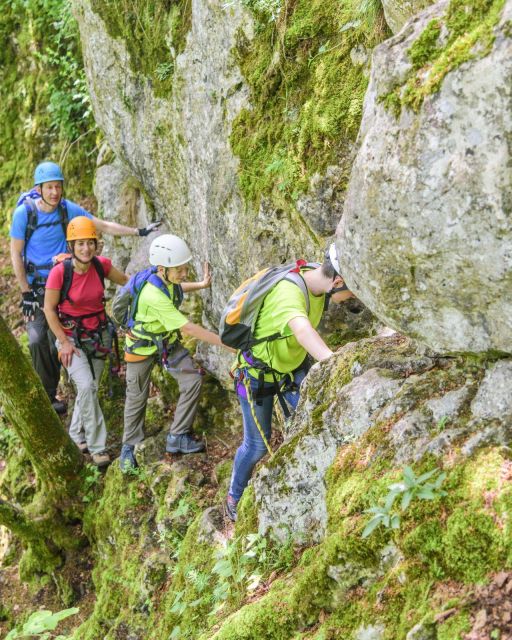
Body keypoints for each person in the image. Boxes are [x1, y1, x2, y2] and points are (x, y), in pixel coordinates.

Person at [10, 161, 160, 414]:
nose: (55, 192)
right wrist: (25, 292)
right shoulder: (25, 213)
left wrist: (140, 231)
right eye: (49, 187)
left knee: (54, 337)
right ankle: (48, 395)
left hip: (64, 284)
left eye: (58, 187)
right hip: (36, 289)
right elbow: (15, 253)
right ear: (39, 188)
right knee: (36, 340)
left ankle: (65, 388)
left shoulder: (67, 210)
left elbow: (101, 226)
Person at [225, 244, 355, 521]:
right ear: (339, 280)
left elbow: (330, 305)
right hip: (256, 375)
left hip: (291, 367)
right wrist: (336, 364)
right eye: (350, 288)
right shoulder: (289, 292)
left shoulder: (314, 276)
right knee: (257, 445)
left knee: (309, 420)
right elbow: (301, 327)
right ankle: (234, 496)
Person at [120, 234, 234, 471]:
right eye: (179, 269)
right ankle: (129, 448)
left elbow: (176, 287)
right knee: (137, 395)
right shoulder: (152, 295)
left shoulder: (164, 280)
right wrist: (224, 342)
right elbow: (189, 327)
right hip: (141, 346)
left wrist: (201, 285)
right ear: (162, 269)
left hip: (165, 342)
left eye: (184, 268)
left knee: (192, 379)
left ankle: (178, 436)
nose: (184, 273)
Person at [44, 216, 128, 467]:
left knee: (87, 387)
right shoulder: (60, 273)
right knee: (88, 386)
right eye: (80, 243)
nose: (86, 248)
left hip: (98, 336)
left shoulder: (101, 266)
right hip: (70, 337)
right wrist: (64, 342)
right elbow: (49, 309)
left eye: (90, 243)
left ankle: (75, 436)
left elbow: (129, 282)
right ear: (71, 246)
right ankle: (97, 447)